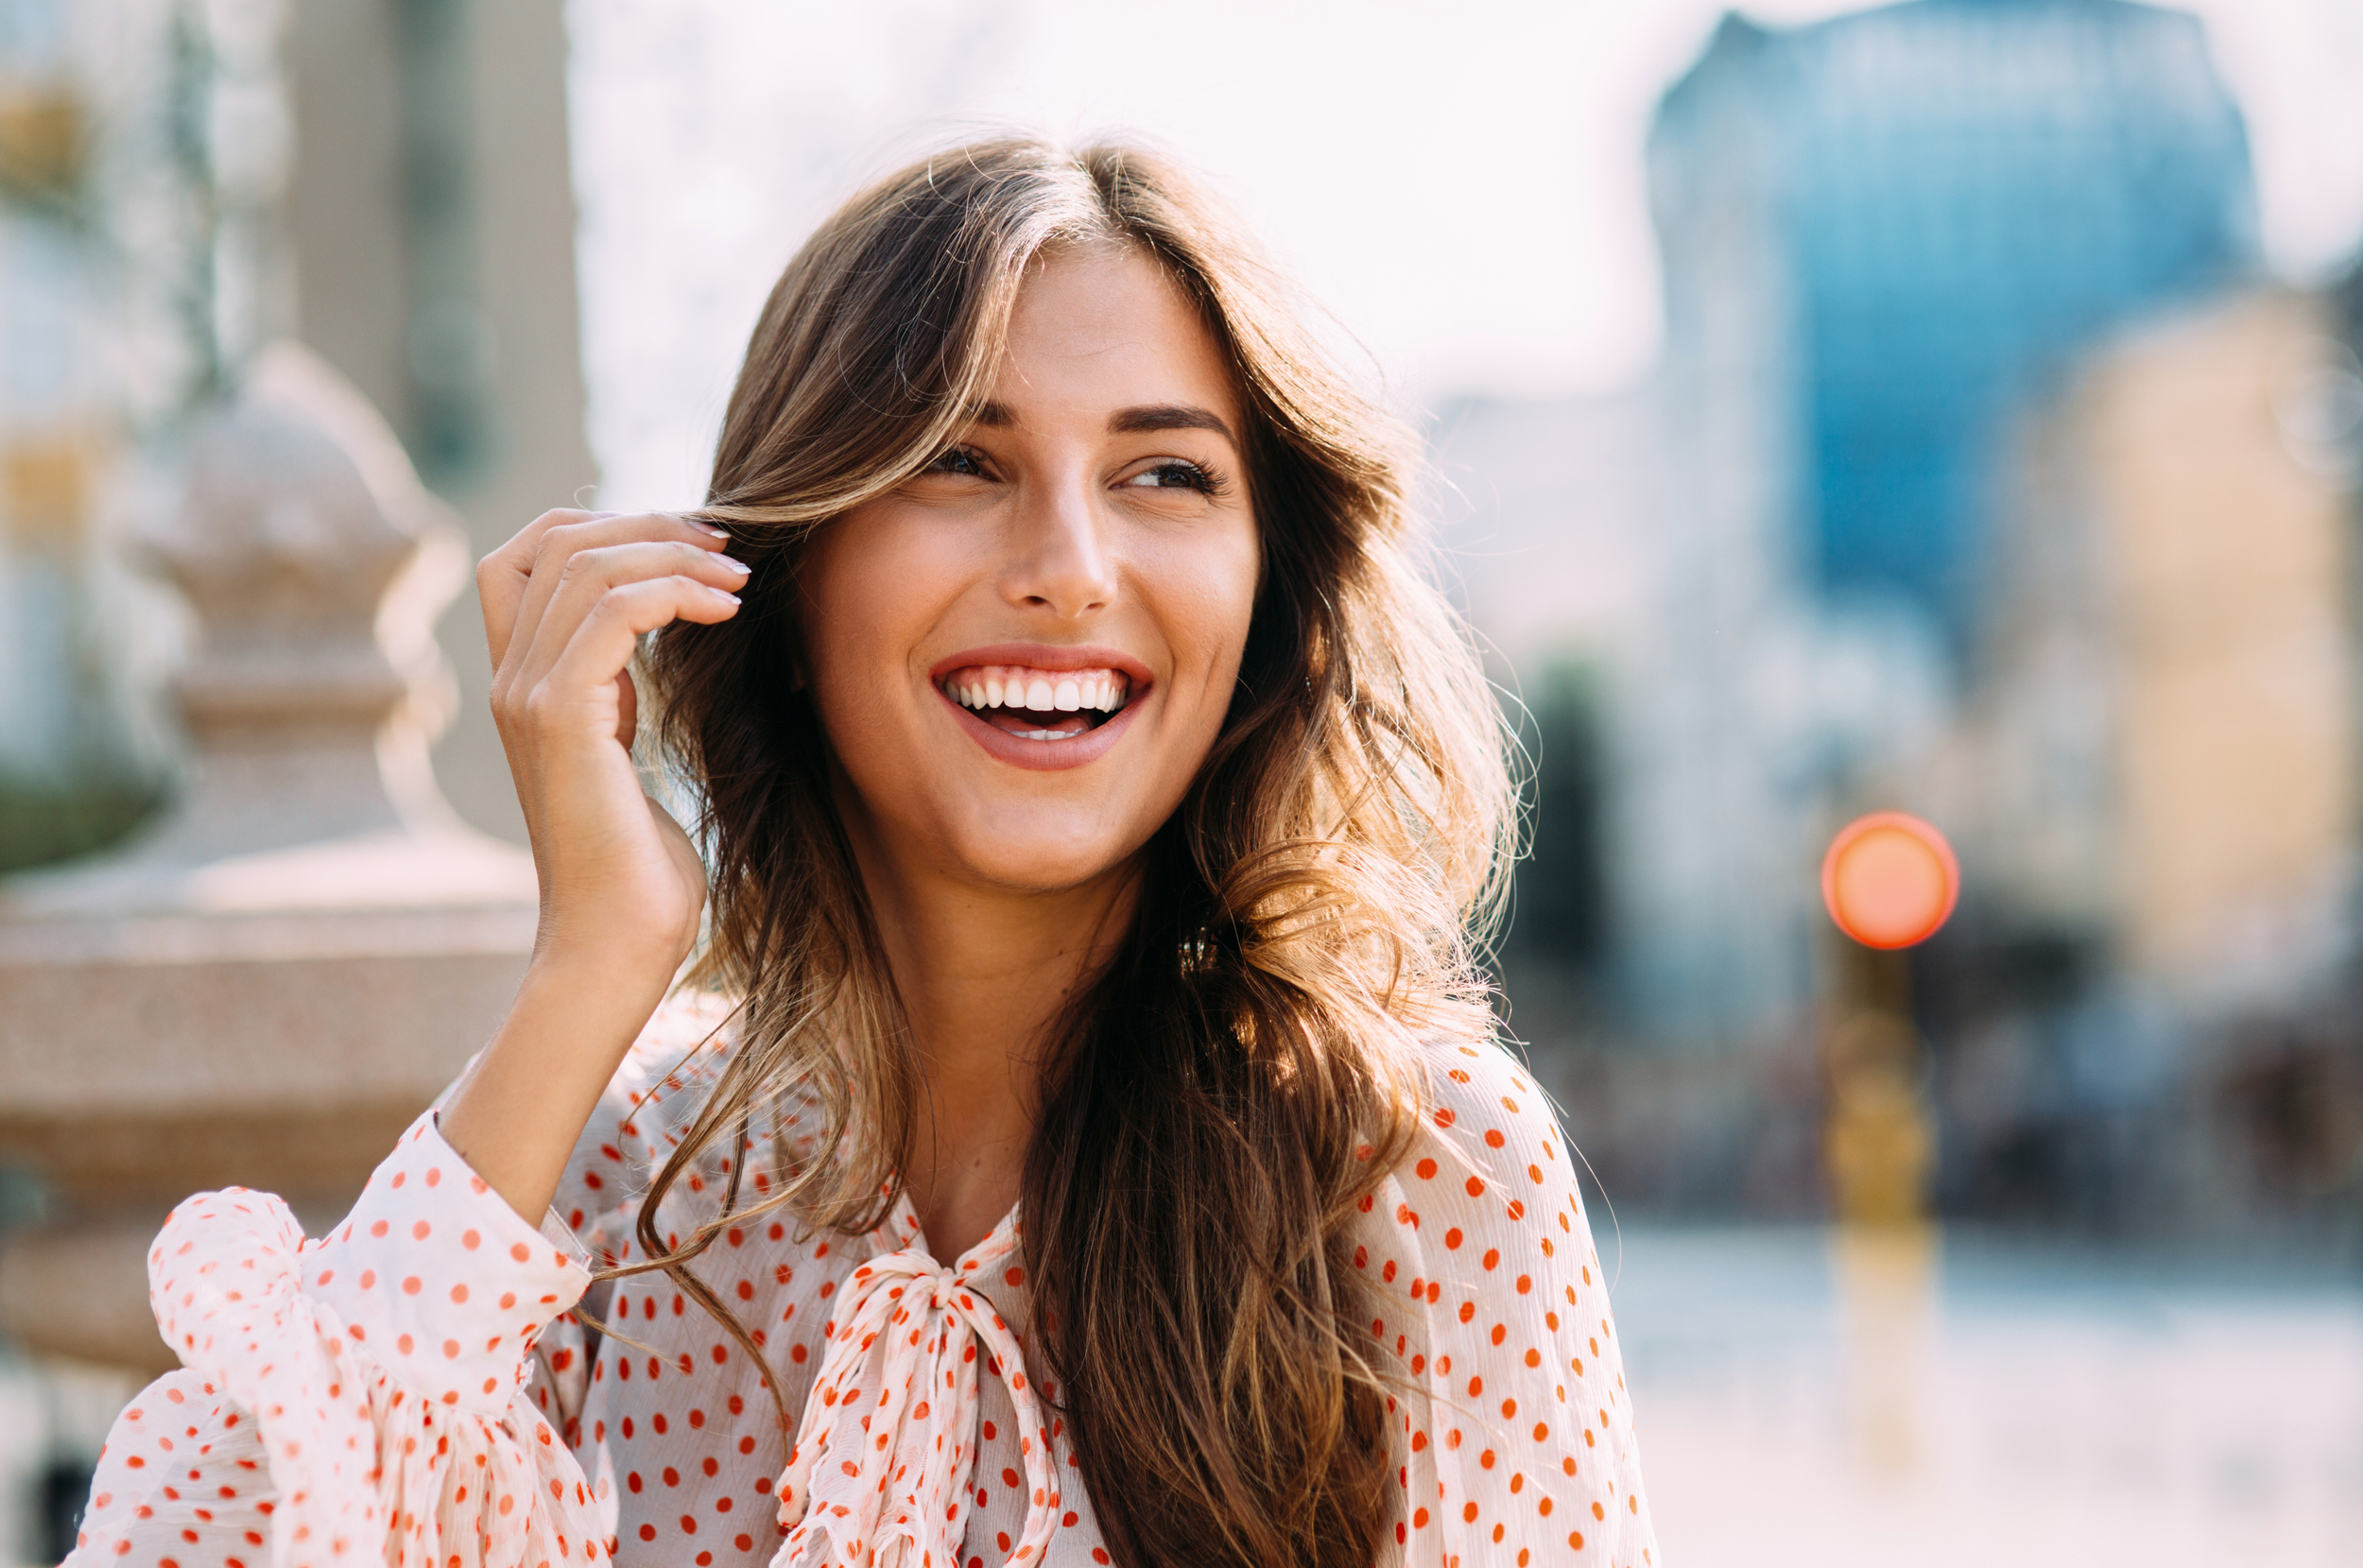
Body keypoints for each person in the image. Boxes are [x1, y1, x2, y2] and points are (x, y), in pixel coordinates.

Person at [68, 137, 1656, 1568]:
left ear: (1267, 598)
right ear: (782, 568)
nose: (1071, 568)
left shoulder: (1415, 1168)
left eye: (1165, 473)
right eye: (959, 462)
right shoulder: (617, 1184)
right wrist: (590, 966)